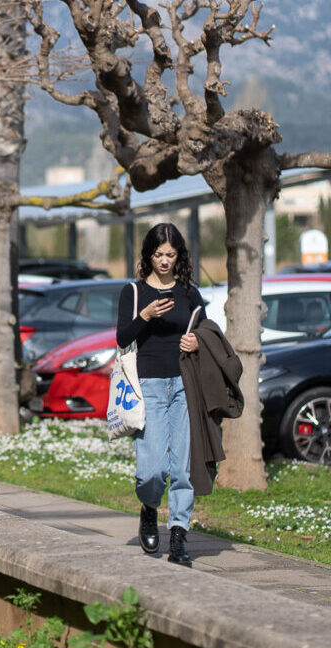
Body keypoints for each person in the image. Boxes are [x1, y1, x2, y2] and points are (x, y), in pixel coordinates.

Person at [115, 223, 205, 566]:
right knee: (151, 471)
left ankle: (179, 535)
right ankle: (149, 507)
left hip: (183, 384)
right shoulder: (134, 292)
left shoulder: (190, 293)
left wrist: (196, 340)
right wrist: (145, 316)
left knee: (181, 470)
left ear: (179, 255)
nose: (165, 261)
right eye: (158, 254)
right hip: (148, 385)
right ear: (148, 255)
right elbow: (123, 338)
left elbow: (205, 332)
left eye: (171, 254)